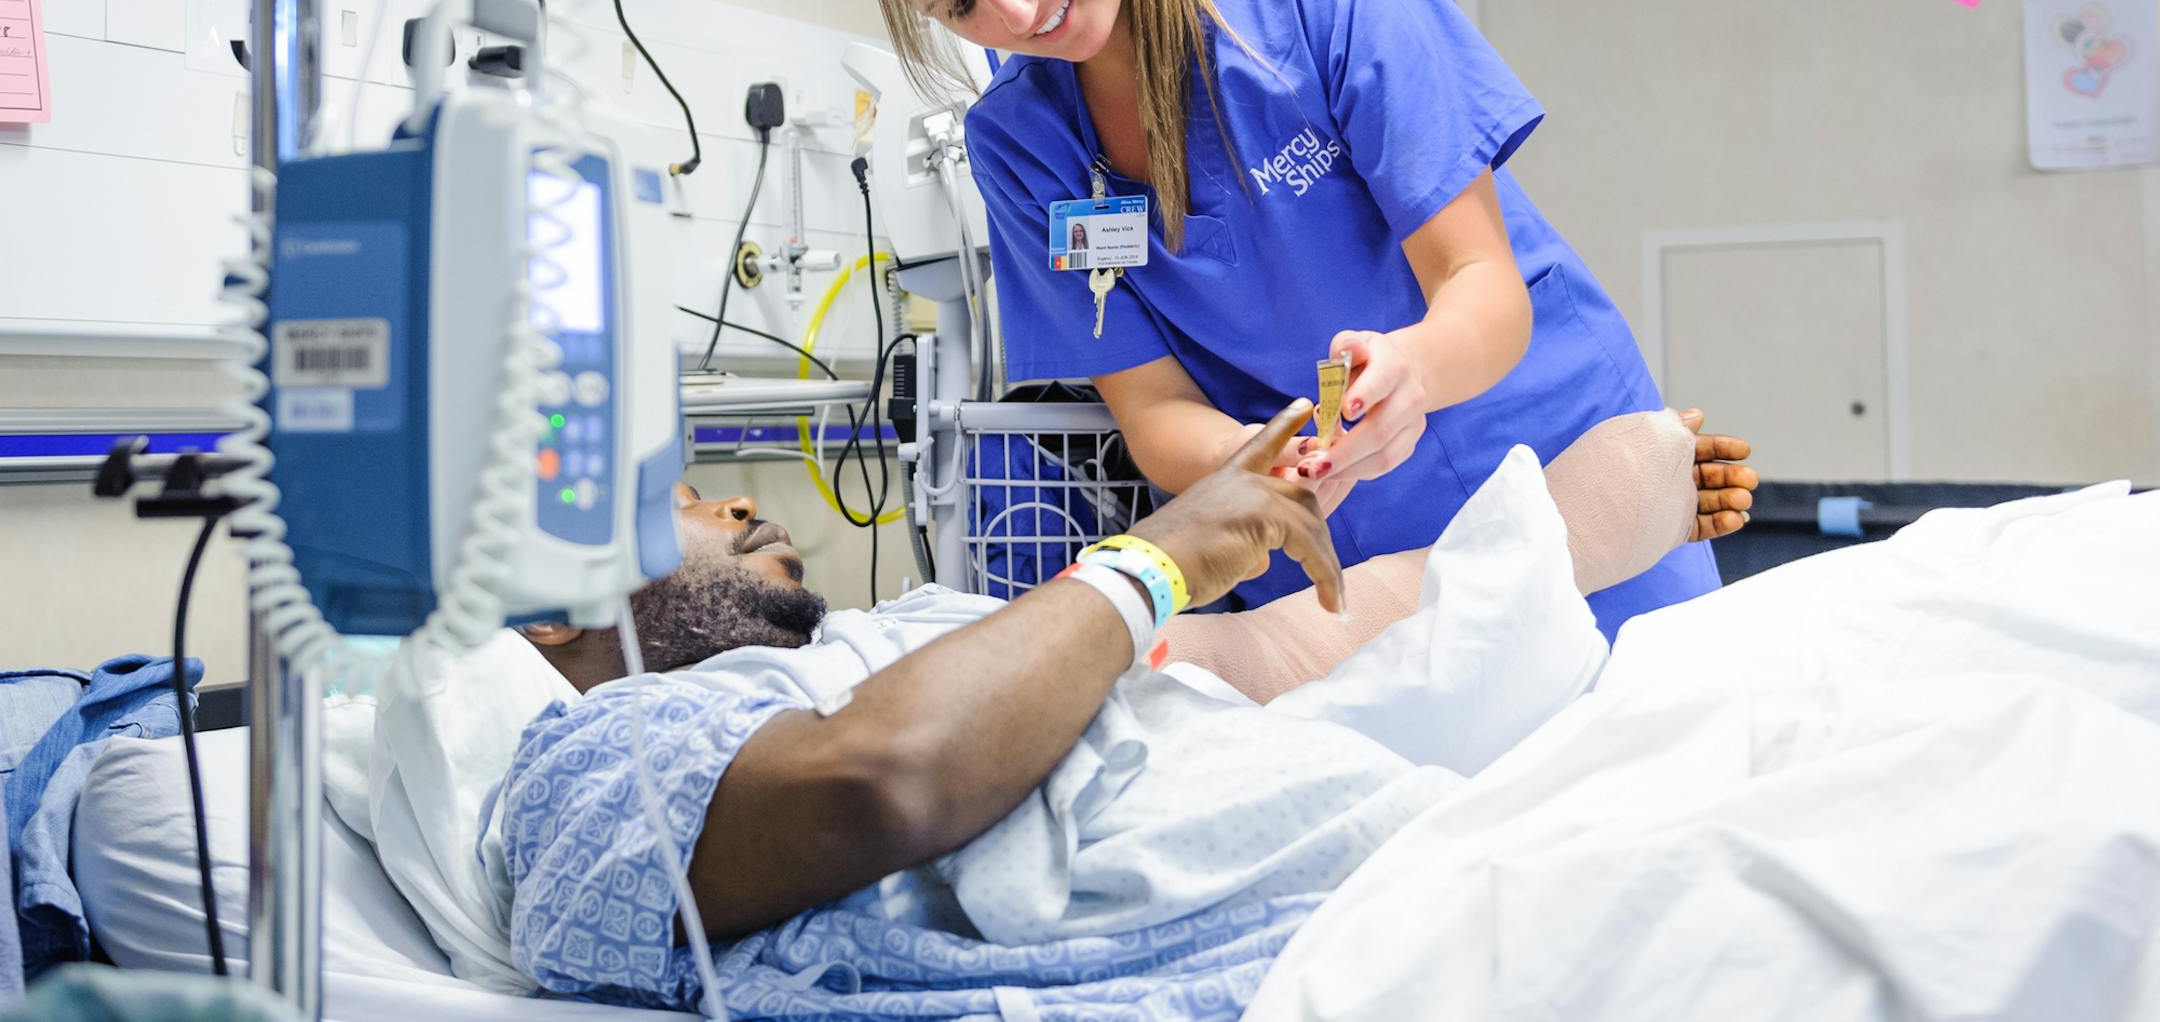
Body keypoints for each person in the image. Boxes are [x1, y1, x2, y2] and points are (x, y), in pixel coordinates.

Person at [820, 0, 1724, 639]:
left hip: (1552, 468)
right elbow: (1154, 408)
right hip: (1330, 540)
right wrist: (1269, 463)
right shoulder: (1021, 142)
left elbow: (1480, 287)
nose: (1016, 14)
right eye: (961, 6)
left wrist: (1413, 368)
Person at [467, 405, 1754, 1016]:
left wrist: (1571, 531)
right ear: (542, 612)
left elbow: (1275, 652)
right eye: (689, 503)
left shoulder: (915, 631)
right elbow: (881, 779)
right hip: (1376, 954)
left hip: (1448, 863)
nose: (736, 505)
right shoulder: (581, 770)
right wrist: (1157, 555)